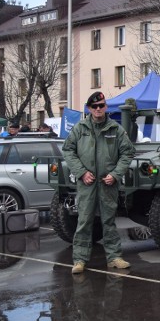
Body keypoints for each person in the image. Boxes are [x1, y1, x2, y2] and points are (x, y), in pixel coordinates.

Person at [62, 92, 134, 274]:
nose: (98, 109)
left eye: (101, 105)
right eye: (94, 106)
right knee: (84, 220)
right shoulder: (80, 128)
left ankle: (114, 257)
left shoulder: (115, 129)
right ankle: (79, 259)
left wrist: (116, 174)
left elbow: (127, 153)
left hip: (108, 183)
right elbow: (68, 150)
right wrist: (81, 172)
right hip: (87, 183)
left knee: (108, 220)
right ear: (89, 109)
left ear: (106, 107)